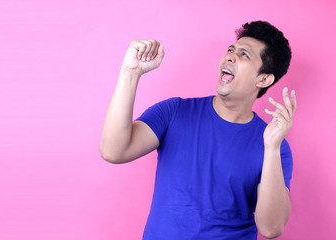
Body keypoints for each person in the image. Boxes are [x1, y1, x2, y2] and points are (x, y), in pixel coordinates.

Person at [99, 21, 296, 239]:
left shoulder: (275, 146)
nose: (230, 56)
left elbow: (272, 228)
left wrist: (271, 149)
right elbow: (113, 151)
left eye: (244, 55)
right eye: (231, 50)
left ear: (264, 78)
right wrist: (130, 73)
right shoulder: (174, 111)